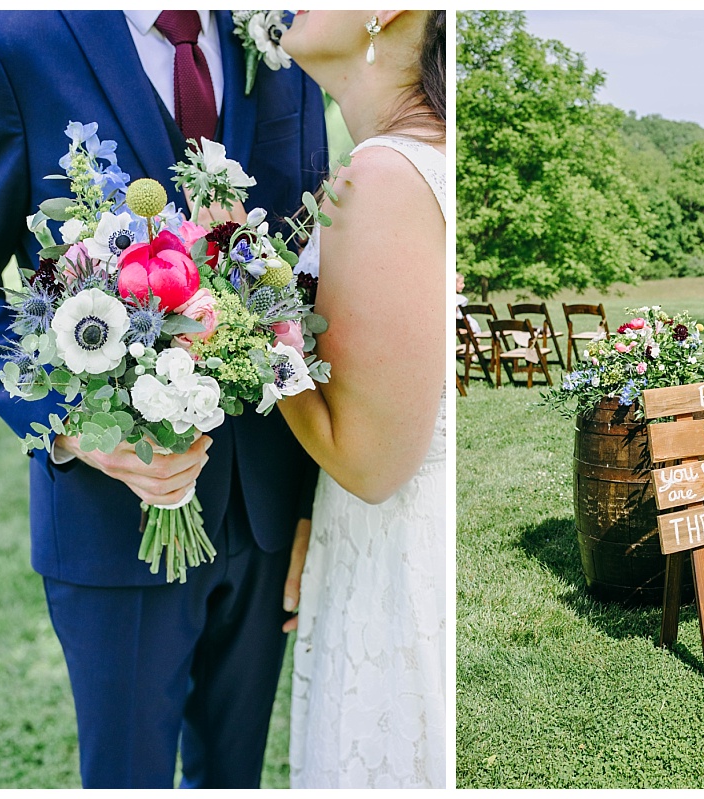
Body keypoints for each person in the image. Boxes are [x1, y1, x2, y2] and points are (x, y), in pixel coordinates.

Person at [0, 10, 325, 789]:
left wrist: (316, 503)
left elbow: (309, 271)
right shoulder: (11, 47)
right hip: (112, 525)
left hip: (268, 510)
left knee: (234, 777)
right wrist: (76, 430)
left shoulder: (287, 40)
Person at [274, 10, 447, 789]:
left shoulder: (381, 177)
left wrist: (254, 334)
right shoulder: (417, 161)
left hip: (394, 561)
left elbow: (371, 465)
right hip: (378, 534)